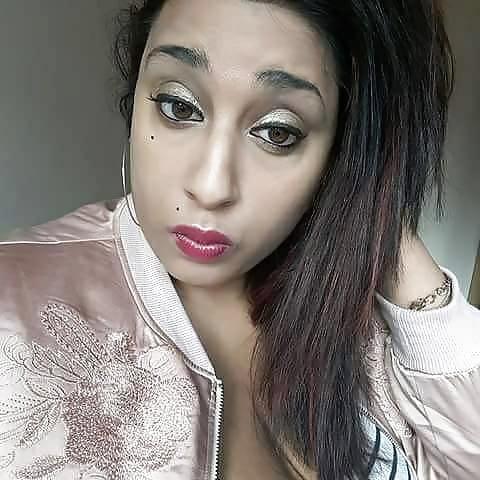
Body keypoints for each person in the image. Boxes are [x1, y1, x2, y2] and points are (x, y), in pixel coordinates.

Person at [0, 0, 478, 479]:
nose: (211, 187)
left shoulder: (361, 328)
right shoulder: (13, 301)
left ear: (337, 153)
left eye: (277, 133)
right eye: (179, 106)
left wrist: (375, 209)